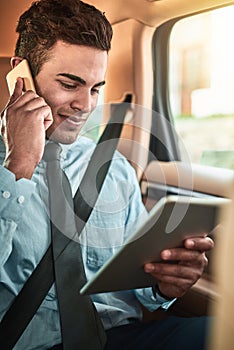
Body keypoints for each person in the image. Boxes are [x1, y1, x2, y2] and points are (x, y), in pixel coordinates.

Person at [0, 0, 214, 349]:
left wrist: (164, 284)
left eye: (96, 87)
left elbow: (139, 286)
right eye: (70, 84)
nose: (86, 105)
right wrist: (18, 166)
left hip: (118, 337)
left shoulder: (113, 170)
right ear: (20, 75)